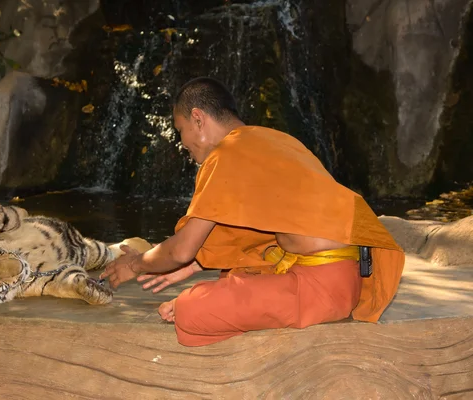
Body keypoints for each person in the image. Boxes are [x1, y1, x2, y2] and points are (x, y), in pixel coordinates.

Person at [100, 77, 405, 347]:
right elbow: (258, 228)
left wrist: (136, 265)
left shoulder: (226, 155)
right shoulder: (277, 140)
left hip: (320, 288)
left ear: (198, 118)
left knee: (192, 311)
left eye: (180, 130)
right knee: (231, 275)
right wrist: (196, 265)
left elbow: (181, 249)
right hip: (343, 279)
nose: (183, 144)